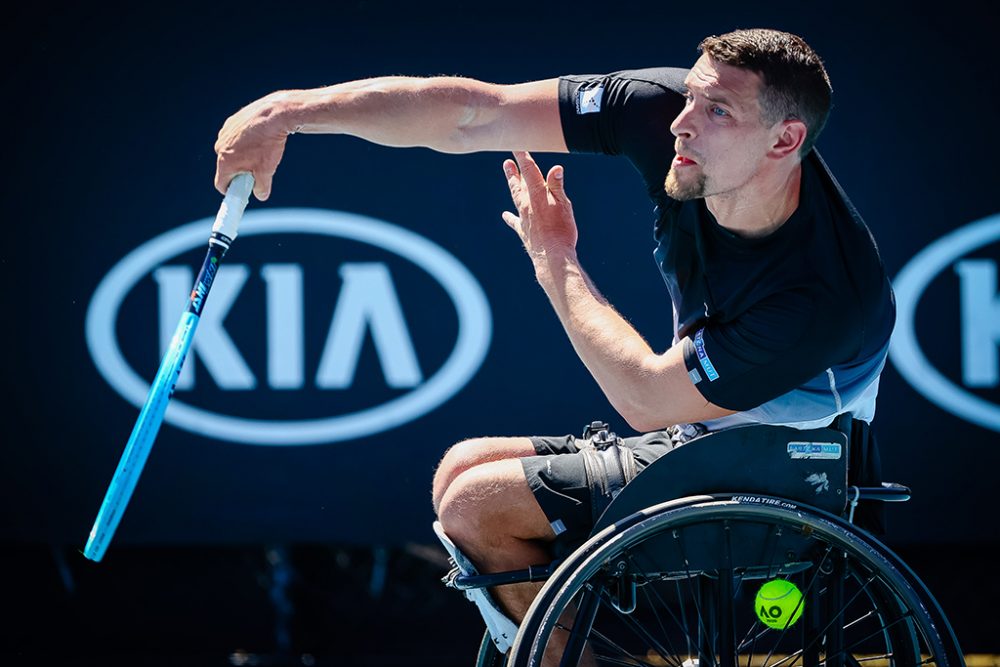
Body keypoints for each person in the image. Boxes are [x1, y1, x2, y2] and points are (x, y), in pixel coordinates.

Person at [215, 27, 893, 652]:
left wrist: (555, 260)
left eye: (717, 111)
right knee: (461, 467)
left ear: (783, 140)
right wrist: (290, 110)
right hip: (703, 439)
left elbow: (647, 397)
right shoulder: (671, 122)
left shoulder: (825, 294)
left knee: (478, 504)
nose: (682, 122)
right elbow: (474, 113)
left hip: (789, 472)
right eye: (691, 95)